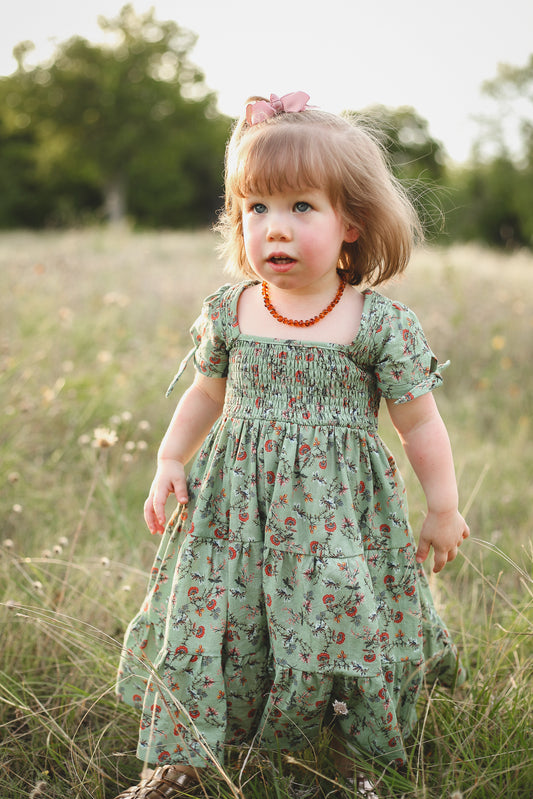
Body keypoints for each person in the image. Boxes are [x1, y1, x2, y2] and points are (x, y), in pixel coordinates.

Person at [114, 92, 469, 799]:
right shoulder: (232, 310)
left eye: (301, 207)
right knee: (212, 620)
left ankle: (348, 762)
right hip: (232, 515)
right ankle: (182, 763)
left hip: (335, 521)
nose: (274, 228)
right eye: (256, 208)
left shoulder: (377, 324)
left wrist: (441, 506)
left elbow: (419, 422)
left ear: (350, 224)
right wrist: (168, 458)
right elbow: (207, 395)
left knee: (337, 625)